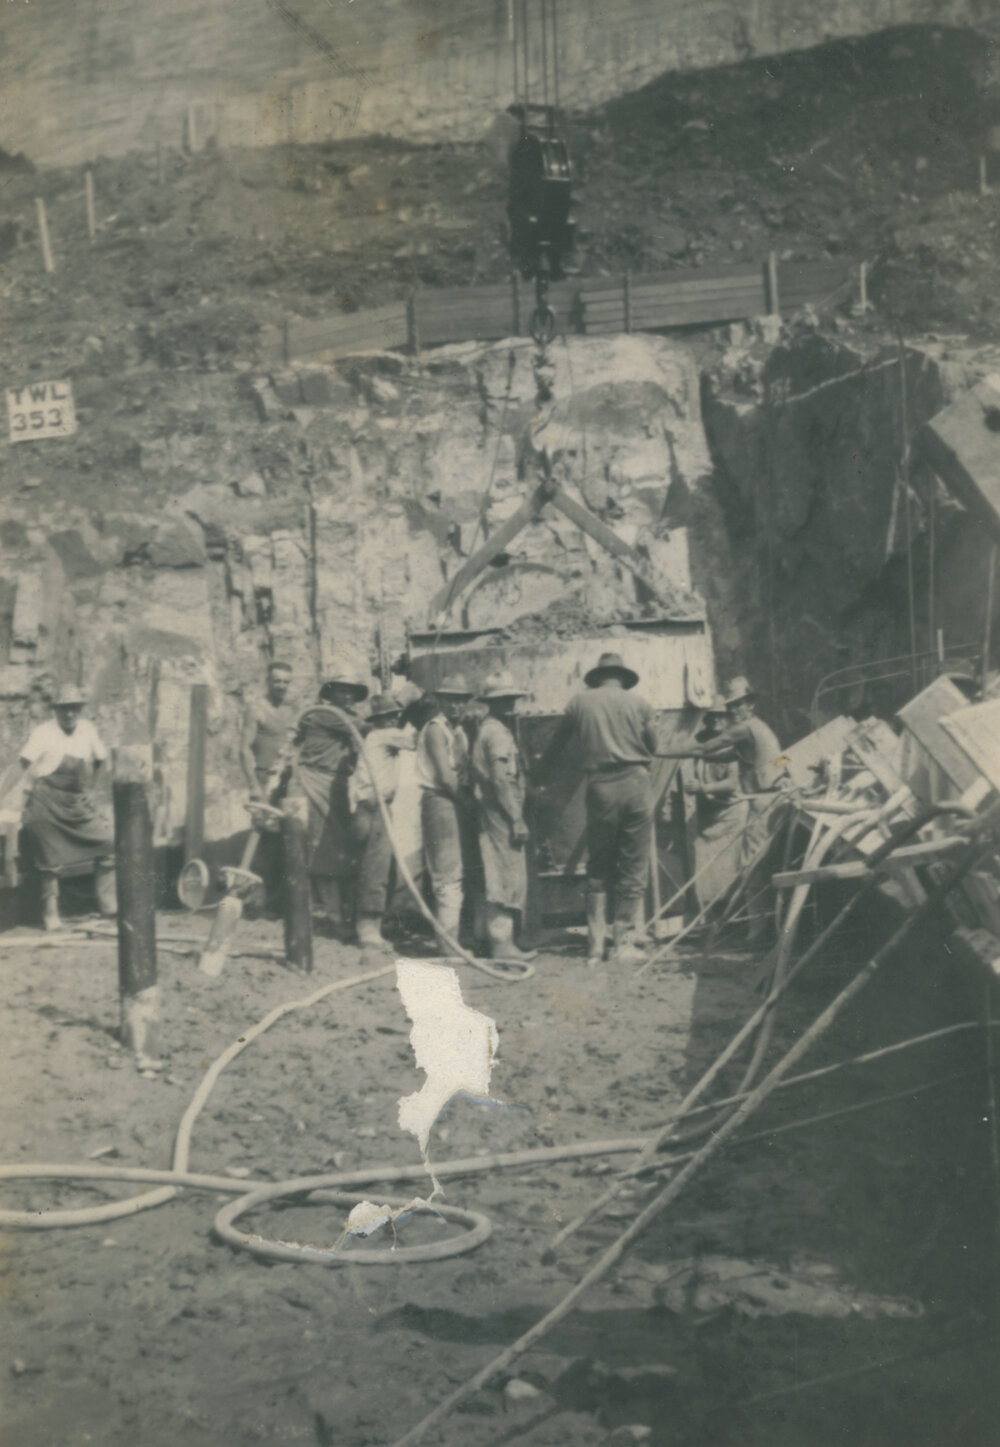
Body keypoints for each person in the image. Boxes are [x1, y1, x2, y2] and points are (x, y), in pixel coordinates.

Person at [541, 651, 659, 966]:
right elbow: (654, 746)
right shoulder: (640, 703)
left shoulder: (579, 703)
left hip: (600, 788)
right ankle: (623, 944)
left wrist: (540, 774)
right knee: (633, 865)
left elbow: (557, 744)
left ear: (598, 676)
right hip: (636, 784)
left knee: (599, 864)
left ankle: (594, 945)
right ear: (622, 676)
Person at [19, 685, 116, 932]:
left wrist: (91, 790)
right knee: (49, 859)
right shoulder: (43, 733)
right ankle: (50, 914)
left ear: (80, 710)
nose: (69, 715)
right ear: (56, 711)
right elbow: (20, 766)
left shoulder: (88, 730)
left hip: (75, 804)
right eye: (64, 709)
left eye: (74, 709)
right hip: (45, 803)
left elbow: (102, 759)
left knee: (109, 843)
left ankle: (108, 906)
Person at [289, 666, 370, 939]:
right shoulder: (326, 715)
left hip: (335, 784)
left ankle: (339, 913)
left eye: (351, 691)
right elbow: (366, 729)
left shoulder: (342, 716)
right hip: (316, 782)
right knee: (324, 848)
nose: (347, 696)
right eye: (342, 690)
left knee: (339, 848)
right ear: (331, 693)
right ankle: (334, 916)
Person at [471, 670, 536, 964]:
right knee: (504, 872)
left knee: (504, 870)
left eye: (512, 698)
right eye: (504, 699)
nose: (510, 704)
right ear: (491, 703)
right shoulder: (496, 732)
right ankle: (501, 944)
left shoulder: (490, 728)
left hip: (497, 806)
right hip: (500, 809)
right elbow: (499, 779)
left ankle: (502, 941)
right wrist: (516, 818)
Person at [349, 693, 415, 951]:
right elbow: (415, 740)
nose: (394, 719)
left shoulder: (375, 737)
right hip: (375, 807)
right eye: (390, 715)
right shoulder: (383, 735)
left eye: (396, 714)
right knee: (375, 867)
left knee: (376, 866)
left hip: (369, 806)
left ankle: (371, 925)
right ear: (380, 720)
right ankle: (368, 932)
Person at [415, 675, 474, 947]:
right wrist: (472, 806)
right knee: (447, 872)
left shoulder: (458, 731)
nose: (455, 706)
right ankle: (448, 945)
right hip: (441, 800)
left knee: (459, 869)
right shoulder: (436, 729)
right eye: (449, 700)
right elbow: (445, 777)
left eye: (460, 700)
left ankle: (457, 939)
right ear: (440, 701)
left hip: (455, 800)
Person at [690, 699, 748, 909]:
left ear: (725, 719)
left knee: (730, 868)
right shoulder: (701, 741)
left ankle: (730, 913)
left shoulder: (732, 743)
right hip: (708, 816)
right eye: (710, 715)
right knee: (705, 869)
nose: (714, 720)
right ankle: (709, 914)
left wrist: (703, 788)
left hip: (730, 815)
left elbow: (732, 783)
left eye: (719, 715)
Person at [240, 661, 296, 800]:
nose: (282, 686)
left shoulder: (291, 710)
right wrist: (253, 785)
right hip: (264, 779)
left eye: (286, 682)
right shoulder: (256, 709)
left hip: (287, 778)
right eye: (277, 681)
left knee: (288, 821)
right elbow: (244, 749)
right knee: (264, 820)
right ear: (268, 681)